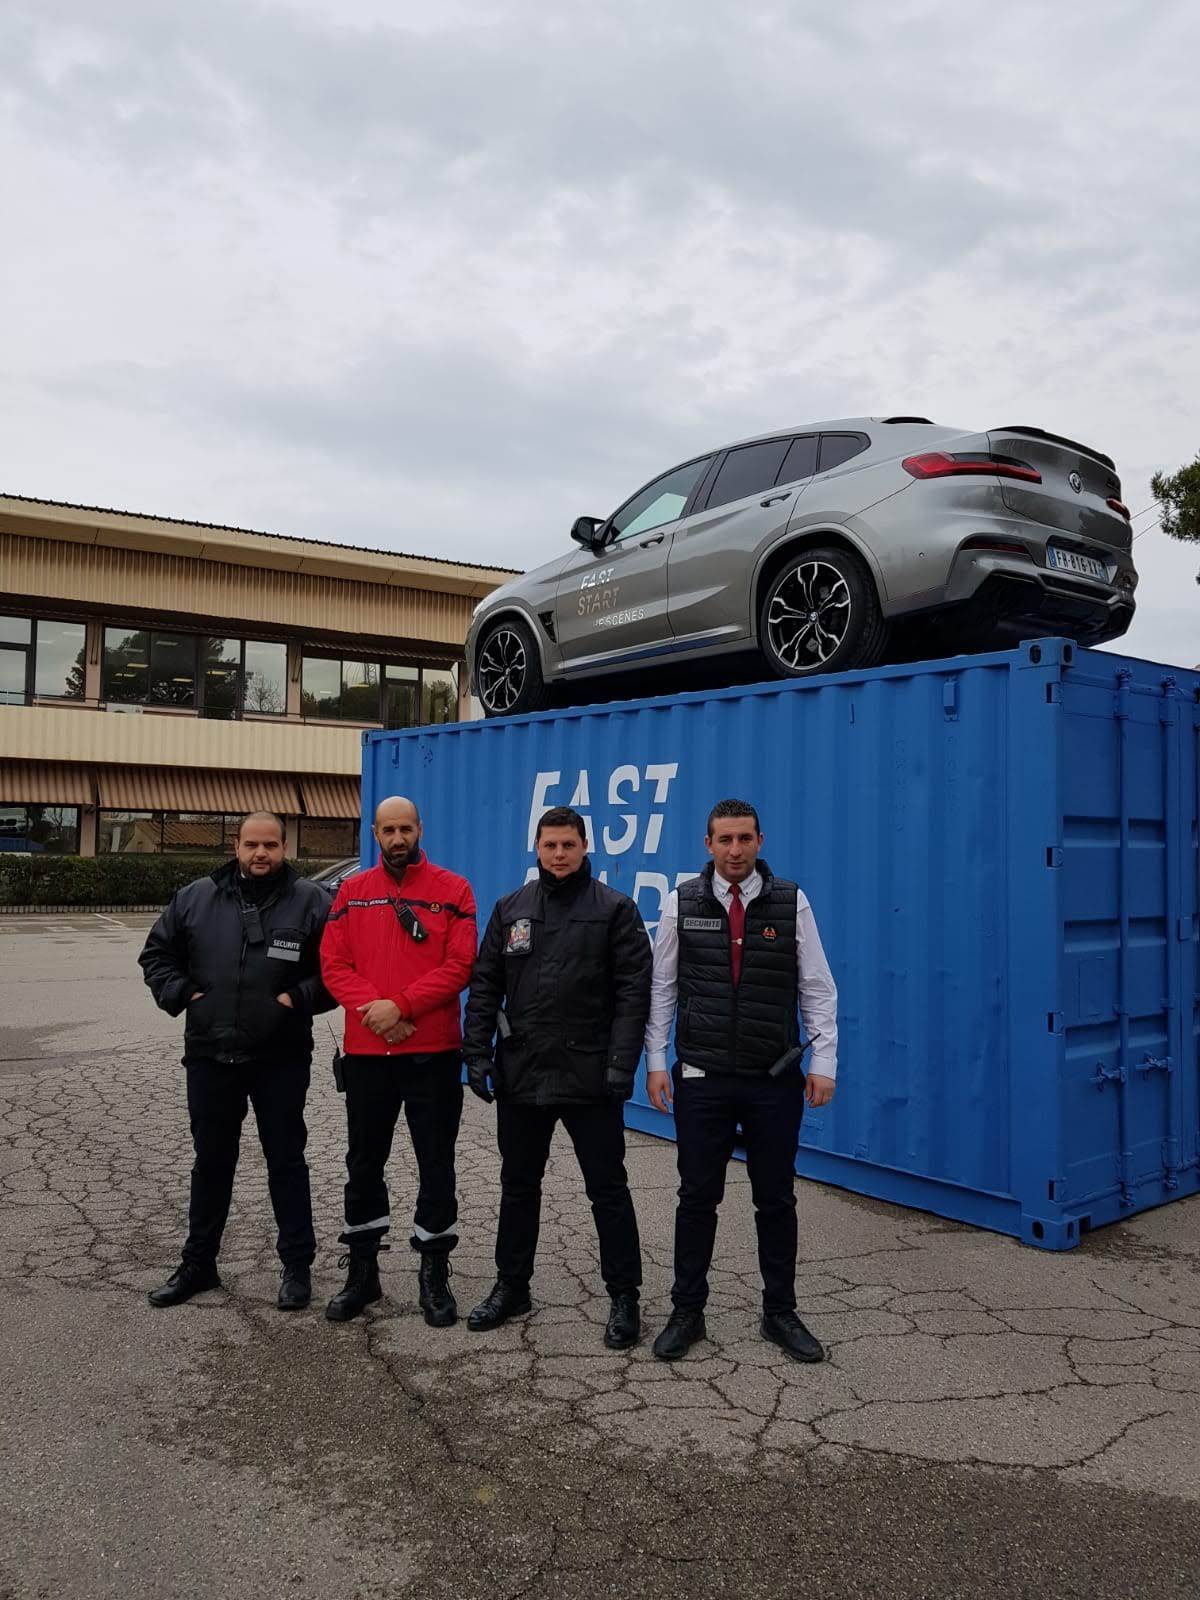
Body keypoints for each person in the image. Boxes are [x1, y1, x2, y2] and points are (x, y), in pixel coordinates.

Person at [643, 799, 838, 1362]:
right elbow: (662, 987)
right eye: (724, 839)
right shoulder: (681, 901)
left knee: (775, 1198)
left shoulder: (791, 901)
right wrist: (655, 1061)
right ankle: (687, 1311)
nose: (735, 850)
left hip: (772, 1079)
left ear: (760, 841)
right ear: (708, 844)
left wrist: (824, 1064)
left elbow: (817, 987)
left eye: (744, 838)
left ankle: (780, 1312)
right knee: (696, 1198)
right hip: (701, 1079)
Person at [462, 805, 652, 1350]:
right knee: (518, 1186)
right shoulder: (511, 908)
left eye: (569, 844)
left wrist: (621, 1064)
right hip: (523, 1071)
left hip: (591, 1074)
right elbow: (485, 984)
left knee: (607, 1189)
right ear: (537, 848)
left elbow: (633, 994)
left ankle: (624, 1295)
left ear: (585, 846)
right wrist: (476, 1053)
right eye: (550, 845)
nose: (559, 854)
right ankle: (512, 1286)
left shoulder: (615, 909)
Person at [139, 812, 334, 1311]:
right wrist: (184, 994)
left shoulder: (313, 902)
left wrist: (298, 998)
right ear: (237, 846)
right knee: (211, 1163)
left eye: (270, 844)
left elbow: (339, 969)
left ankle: (297, 1267)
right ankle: (198, 1264)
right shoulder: (195, 898)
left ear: (284, 847)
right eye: (252, 844)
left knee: (286, 1161)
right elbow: (156, 956)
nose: (260, 853)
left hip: (281, 1058)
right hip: (210, 1054)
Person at [319, 795, 476, 1325]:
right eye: (388, 830)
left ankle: (434, 1274)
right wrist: (379, 1013)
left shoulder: (454, 889)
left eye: (405, 828)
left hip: (432, 1053)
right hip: (369, 1052)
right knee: (364, 1164)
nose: (397, 838)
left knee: (436, 1163)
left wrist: (402, 1006)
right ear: (375, 834)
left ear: (419, 830)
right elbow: (333, 964)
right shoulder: (352, 892)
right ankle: (362, 1274)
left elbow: (460, 965)